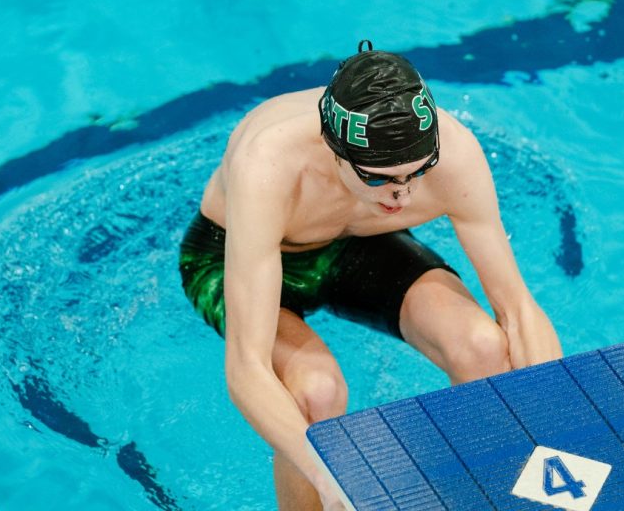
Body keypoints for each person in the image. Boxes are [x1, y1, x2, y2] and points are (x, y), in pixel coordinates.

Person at [179, 41, 562, 510]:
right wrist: (333, 479)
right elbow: (246, 370)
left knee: (483, 345)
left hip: (358, 245)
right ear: (334, 151)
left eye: (418, 173)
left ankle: (492, 495)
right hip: (234, 254)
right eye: (379, 178)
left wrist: (550, 424)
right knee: (315, 392)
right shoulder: (269, 165)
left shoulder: (455, 151)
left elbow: (518, 308)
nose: (402, 196)